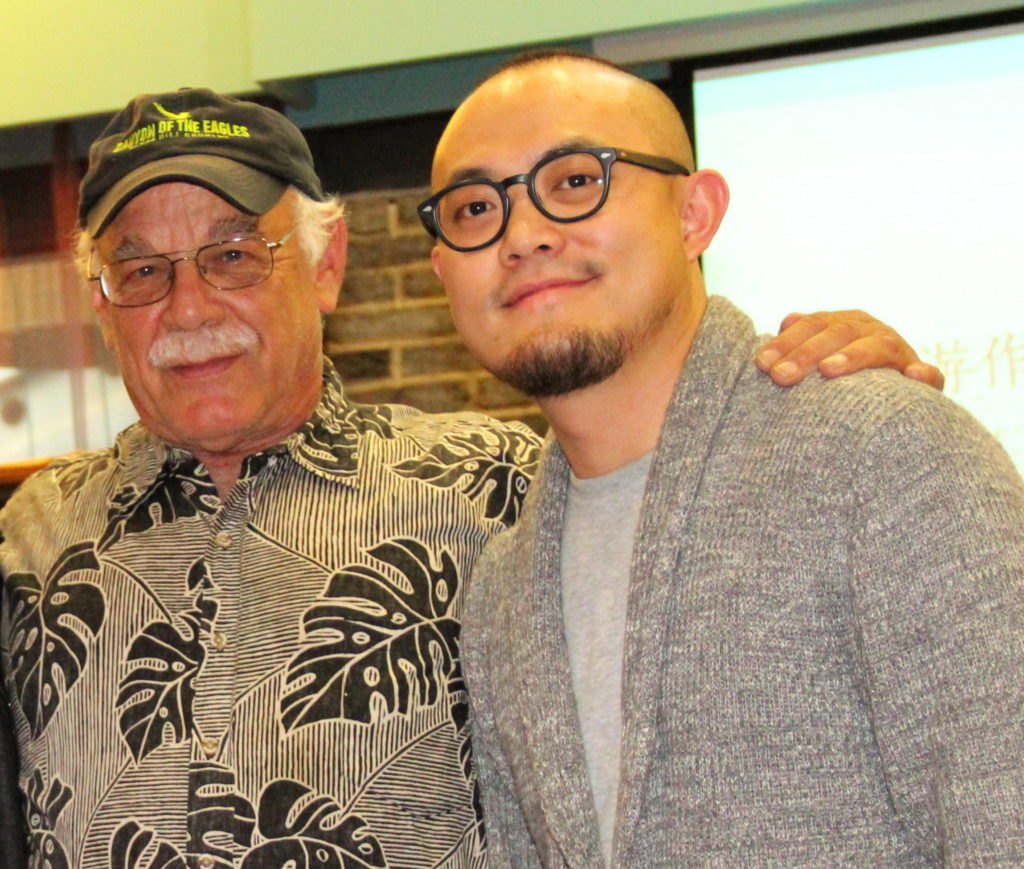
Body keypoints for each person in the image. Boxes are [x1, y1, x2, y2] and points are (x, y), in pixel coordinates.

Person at [0, 86, 935, 869]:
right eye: (143, 270)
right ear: (100, 303)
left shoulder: (506, 486)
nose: (189, 305)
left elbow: (709, 498)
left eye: (235, 254)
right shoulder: (33, 530)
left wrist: (816, 378)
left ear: (327, 265)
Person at [429, 53, 1024, 867]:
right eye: (472, 208)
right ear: (444, 272)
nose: (524, 234)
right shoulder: (503, 580)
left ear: (695, 212)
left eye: (574, 181)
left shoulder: (882, 454)